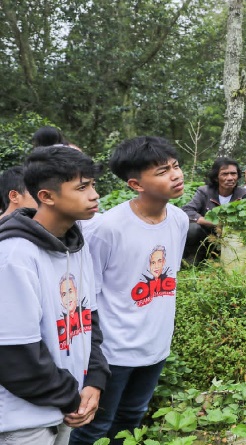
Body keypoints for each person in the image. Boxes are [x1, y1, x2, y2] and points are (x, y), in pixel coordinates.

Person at [69, 136, 189, 445]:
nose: (175, 175)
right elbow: (88, 296)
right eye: (162, 171)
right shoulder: (106, 228)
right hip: (113, 353)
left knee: (132, 418)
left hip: (156, 347)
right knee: (94, 426)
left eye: (175, 166)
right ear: (135, 184)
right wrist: (93, 355)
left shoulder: (178, 220)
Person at [0, 146, 109, 445]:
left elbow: (88, 320)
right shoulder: (14, 256)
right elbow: (14, 354)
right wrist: (70, 397)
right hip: (23, 421)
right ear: (46, 196)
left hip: (66, 406)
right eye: (82, 187)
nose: (94, 194)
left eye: (93, 185)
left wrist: (94, 382)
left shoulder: (77, 244)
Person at [182, 157, 246, 263]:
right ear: (216, 177)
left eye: (233, 173)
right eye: (225, 174)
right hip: (208, 238)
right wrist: (213, 223)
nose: (230, 178)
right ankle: (194, 259)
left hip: (233, 239)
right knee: (192, 229)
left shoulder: (243, 194)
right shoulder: (205, 192)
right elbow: (187, 210)